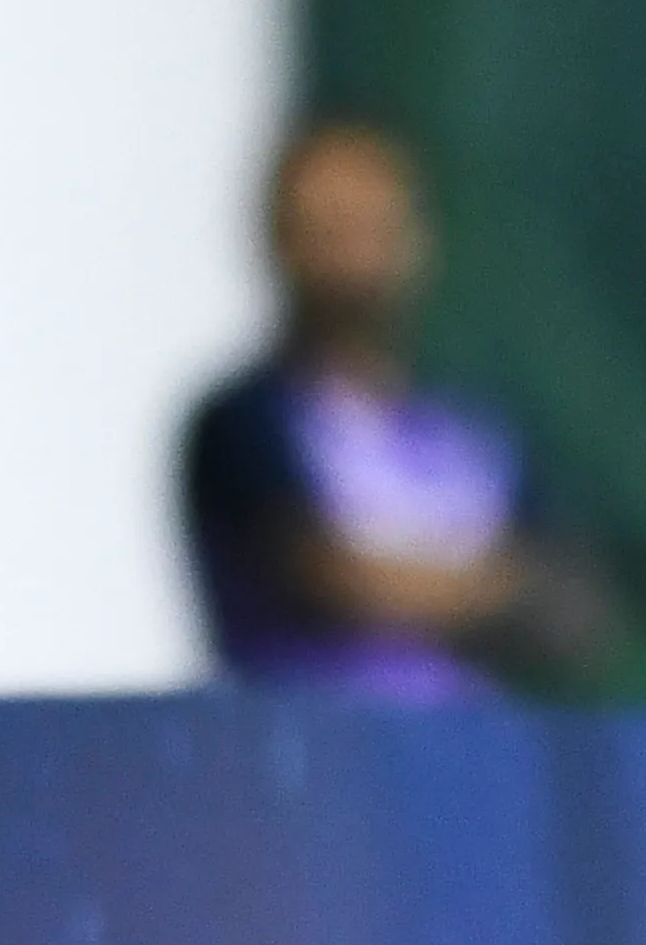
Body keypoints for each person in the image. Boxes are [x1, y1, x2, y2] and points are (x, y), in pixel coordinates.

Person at [182, 120, 610, 702]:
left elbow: (573, 605)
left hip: (466, 756)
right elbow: (329, 580)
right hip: (305, 759)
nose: (350, 256)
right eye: (324, 228)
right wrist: (493, 588)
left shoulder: (479, 428)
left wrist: (428, 590)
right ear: (279, 239)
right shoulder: (246, 421)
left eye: (370, 226)